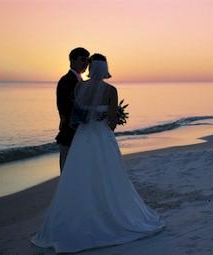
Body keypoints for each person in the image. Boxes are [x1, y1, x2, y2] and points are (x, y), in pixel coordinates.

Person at [31, 54, 164, 253]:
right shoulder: (111, 90)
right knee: (108, 176)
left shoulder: (79, 87)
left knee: (80, 177)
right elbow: (111, 123)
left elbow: (76, 117)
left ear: (91, 68)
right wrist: (107, 120)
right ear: (105, 68)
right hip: (102, 137)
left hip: (82, 139)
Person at [55, 47, 90, 172]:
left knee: (79, 171)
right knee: (68, 172)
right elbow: (65, 108)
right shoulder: (66, 81)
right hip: (69, 134)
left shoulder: (82, 81)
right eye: (82, 60)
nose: (86, 63)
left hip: (80, 134)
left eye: (87, 60)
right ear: (72, 60)